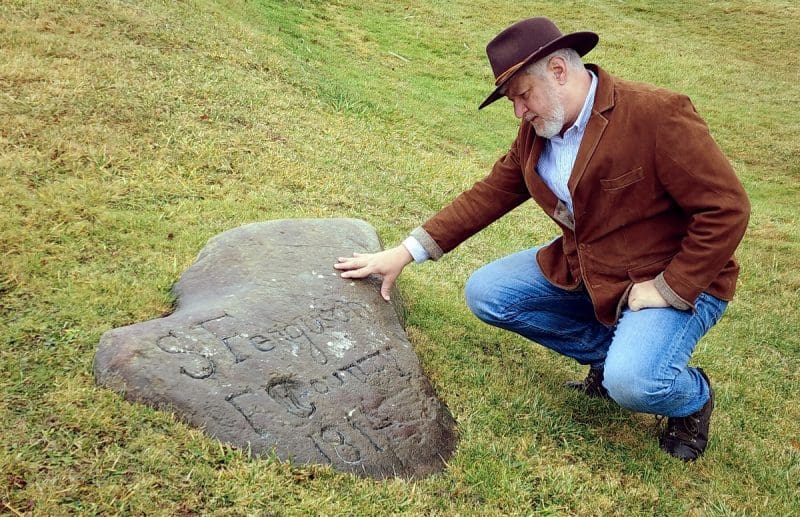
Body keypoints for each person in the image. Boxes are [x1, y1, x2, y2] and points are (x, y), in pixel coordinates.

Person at [334, 17, 750, 461]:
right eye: (512, 101)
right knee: (487, 293)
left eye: (522, 95)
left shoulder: (656, 114)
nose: (519, 111)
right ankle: (609, 361)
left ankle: (691, 399)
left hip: (673, 279)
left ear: (558, 70)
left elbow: (726, 208)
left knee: (638, 383)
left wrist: (668, 288)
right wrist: (404, 252)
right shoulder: (537, 132)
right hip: (590, 273)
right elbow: (490, 193)